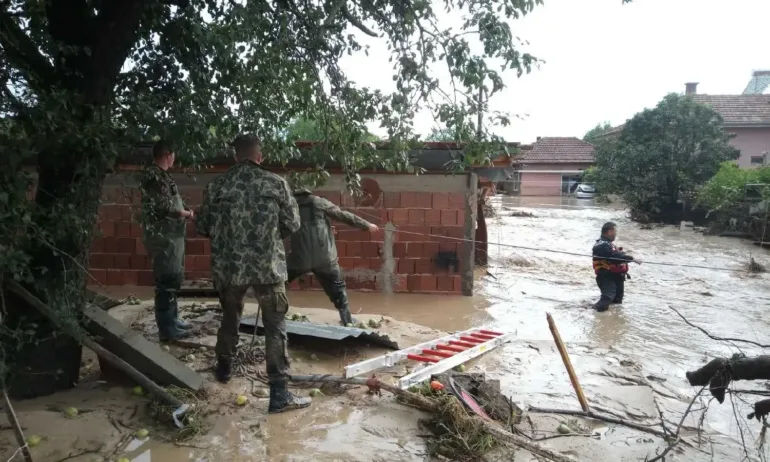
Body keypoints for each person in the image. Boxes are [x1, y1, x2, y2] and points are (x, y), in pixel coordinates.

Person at [195, 134, 311, 413]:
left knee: (230, 317)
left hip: (230, 267)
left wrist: (228, 238)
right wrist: (268, 239)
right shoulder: (276, 183)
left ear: (236, 156)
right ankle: (279, 394)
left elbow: (202, 226)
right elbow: (292, 224)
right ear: (260, 156)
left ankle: (224, 369)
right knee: (275, 327)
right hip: (268, 268)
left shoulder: (217, 186)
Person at [287, 188, 379, 325]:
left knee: (278, 282)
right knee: (338, 289)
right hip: (325, 258)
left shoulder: (290, 206)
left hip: (300, 259)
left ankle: (275, 316)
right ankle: (347, 320)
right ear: (309, 193)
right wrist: (367, 225)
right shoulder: (319, 202)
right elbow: (344, 216)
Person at [140, 140, 194, 341]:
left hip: (172, 237)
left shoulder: (161, 175)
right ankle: (167, 329)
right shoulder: (155, 177)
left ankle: (172, 319)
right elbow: (164, 208)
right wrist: (186, 214)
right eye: (174, 154)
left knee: (174, 277)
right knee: (167, 280)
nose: (175, 158)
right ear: (167, 154)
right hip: (164, 238)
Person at [591, 222, 641, 312]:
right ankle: (590, 313)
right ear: (609, 231)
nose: (616, 234)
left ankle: (613, 321)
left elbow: (617, 255)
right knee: (607, 299)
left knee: (617, 303)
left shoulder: (609, 244)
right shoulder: (601, 245)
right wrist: (632, 258)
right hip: (606, 276)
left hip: (617, 276)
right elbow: (615, 257)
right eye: (615, 231)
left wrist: (626, 255)